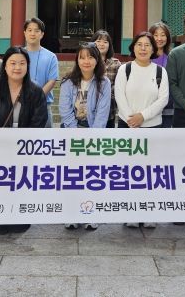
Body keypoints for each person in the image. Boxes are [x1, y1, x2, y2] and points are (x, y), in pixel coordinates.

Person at [0, 46, 48, 235]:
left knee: (20, 184)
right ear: (5, 66)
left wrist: (21, 145)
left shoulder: (35, 91)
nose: (17, 67)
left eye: (22, 63)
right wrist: (1, 142)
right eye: (13, 63)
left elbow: (39, 122)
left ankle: (19, 218)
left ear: (27, 66)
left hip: (24, 149)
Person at [116, 31, 169, 229]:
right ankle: (130, 211)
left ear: (153, 49)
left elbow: (163, 99)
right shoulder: (125, 69)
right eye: (139, 44)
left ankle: (149, 212)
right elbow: (119, 95)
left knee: (150, 171)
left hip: (152, 126)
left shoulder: (160, 72)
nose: (143, 48)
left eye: (147, 45)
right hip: (127, 125)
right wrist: (131, 119)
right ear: (133, 47)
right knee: (129, 170)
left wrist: (143, 117)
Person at [59, 43, 111, 231]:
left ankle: (91, 213)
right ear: (77, 60)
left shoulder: (104, 83)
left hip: (94, 133)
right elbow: (64, 110)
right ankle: (71, 213)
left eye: (90, 57)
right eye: (82, 57)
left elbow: (102, 114)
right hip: (71, 132)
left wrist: (92, 138)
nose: (86, 61)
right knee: (72, 175)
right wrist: (75, 134)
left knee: (92, 175)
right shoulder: (68, 82)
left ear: (97, 60)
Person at [23, 17, 58, 128]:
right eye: (29, 30)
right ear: (24, 33)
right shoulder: (18, 55)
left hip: (43, 105)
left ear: (42, 34)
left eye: (36, 31)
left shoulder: (51, 56)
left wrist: (36, 98)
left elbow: (52, 81)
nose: (32, 33)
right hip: (21, 105)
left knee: (45, 138)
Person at [92, 29, 121, 128]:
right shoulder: (87, 62)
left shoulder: (116, 64)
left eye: (105, 42)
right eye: (98, 41)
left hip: (109, 111)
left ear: (109, 45)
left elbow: (119, 87)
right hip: (88, 111)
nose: (101, 44)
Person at [149, 22, 174, 128]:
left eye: (163, 35)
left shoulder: (173, 58)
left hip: (167, 108)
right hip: (147, 108)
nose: (159, 38)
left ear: (167, 38)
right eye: (155, 35)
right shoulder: (144, 58)